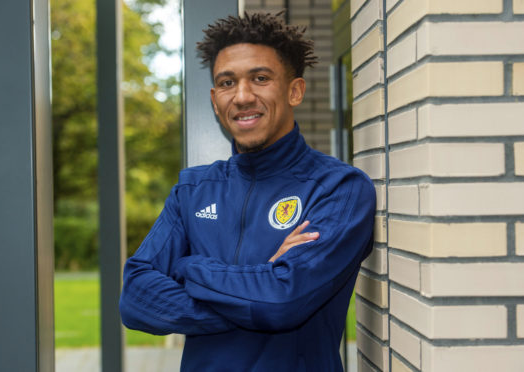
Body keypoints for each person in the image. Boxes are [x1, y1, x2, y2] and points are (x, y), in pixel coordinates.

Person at [119, 12, 376, 371]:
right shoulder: (192, 190)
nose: (242, 96)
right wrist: (260, 284)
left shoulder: (339, 189)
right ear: (214, 98)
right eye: (227, 83)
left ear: (295, 90)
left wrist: (187, 266)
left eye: (260, 78)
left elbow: (283, 302)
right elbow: (135, 297)